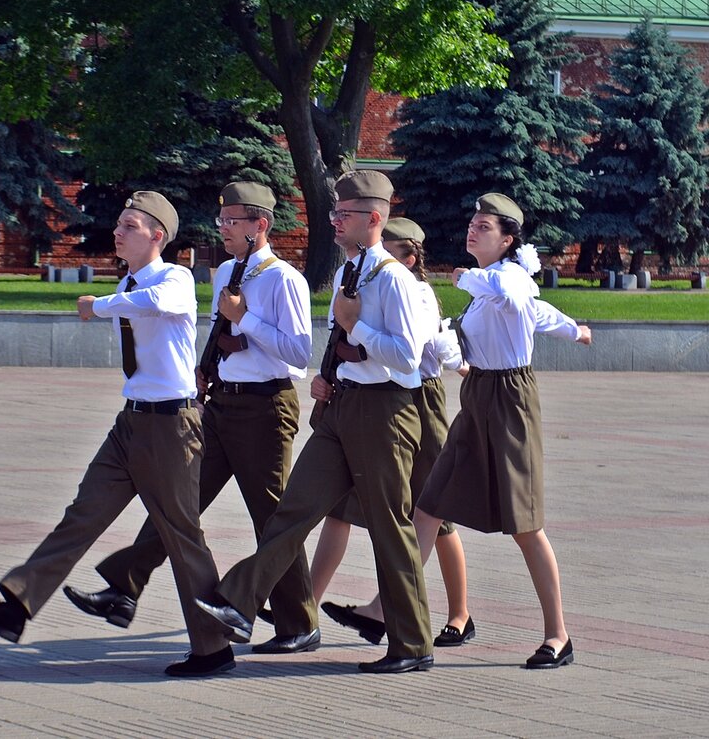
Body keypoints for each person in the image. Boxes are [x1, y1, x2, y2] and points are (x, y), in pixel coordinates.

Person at [0, 191, 235, 678]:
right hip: (132, 422)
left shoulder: (175, 277)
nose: (118, 232)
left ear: (157, 236)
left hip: (172, 425)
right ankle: (16, 607)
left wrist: (97, 305)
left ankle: (213, 648)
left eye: (129, 225)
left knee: (182, 535)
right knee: (82, 516)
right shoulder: (127, 280)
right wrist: (109, 300)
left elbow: (157, 304)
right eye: (119, 225)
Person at [196, 170, 438, 674]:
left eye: (343, 215)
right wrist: (332, 374)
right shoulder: (354, 270)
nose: (334, 222)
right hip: (343, 408)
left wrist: (356, 327)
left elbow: (408, 357)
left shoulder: (395, 279)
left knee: (390, 528)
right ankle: (238, 601)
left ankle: (412, 644)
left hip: (386, 412)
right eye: (333, 213)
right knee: (294, 509)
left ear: (373, 219)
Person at [63, 181, 319, 654]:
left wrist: (246, 319)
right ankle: (124, 589)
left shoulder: (284, 279)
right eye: (221, 221)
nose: (223, 228)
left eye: (233, 222)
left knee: (270, 516)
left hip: (267, 407)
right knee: (179, 503)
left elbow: (299, 354)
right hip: (220, 402)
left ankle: (299, 624)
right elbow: (217, 330)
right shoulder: (224, 273)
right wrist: (204, 370)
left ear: (260, 225)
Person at [412, 193, 592, 670]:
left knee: (525, 524)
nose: (473, 229)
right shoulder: (486, 291)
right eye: (472, 223)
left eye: (484, 226)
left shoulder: (507, 278)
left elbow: (518, 297)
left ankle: (558, 635)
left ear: (508, 239)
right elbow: (540, 315)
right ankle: (388, 610)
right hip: (477, 399)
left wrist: (469, 278)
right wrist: (576, 330)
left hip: (511, 401)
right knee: (429, 505)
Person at [313, 217, 475, 648]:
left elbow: (432, 350)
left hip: (420, 402)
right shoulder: (369, 281)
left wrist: (459, 361)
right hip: (375, 403)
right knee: (344, 507)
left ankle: (459, 614)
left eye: (392, 250)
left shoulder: (415, 290)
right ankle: (309, 604)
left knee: (435, 511)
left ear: (410, 256)